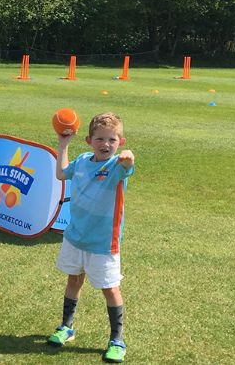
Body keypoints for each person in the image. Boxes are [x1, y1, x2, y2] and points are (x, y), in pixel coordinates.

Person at [48, 112, 135, 363]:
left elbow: (128, 164)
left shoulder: (117, 167)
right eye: (99, 139)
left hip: (103, 243)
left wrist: (128, 158)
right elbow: (62, 174)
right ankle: (66, 327)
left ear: (120, 141)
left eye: (112, 140)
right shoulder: (83, 161)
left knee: (110, 288)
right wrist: (63, 143)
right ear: (89, 140)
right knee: (73, 280)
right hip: (75, 237)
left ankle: (117, 340)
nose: (105, 144)